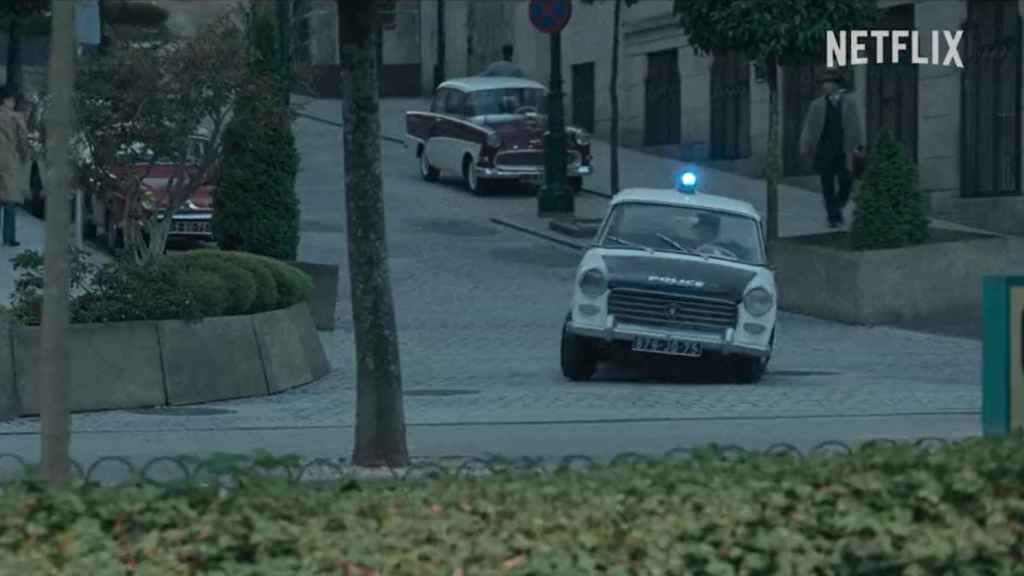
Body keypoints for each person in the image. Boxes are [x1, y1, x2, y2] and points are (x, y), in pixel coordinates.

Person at [799, 70, 865, 228]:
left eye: (828, 84)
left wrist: (859, 145)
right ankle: (833, 217)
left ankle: (837, 205)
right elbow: (809, 126)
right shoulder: (817, 105)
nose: (825, 87)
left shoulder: (849, 103)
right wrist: (805, 144)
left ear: (836, 86)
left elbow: (855, 125)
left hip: (844, 150)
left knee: (846, 181)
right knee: (827, 184)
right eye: (824, 84)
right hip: (824, 150)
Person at [0, 84, 28, 247]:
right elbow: (23, 140)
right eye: (12, 99)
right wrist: (25, 155)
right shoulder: (16, 117)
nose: (13, 102)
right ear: (6, 100)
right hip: (8, 161)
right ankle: (9, 238)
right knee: (9, 201)